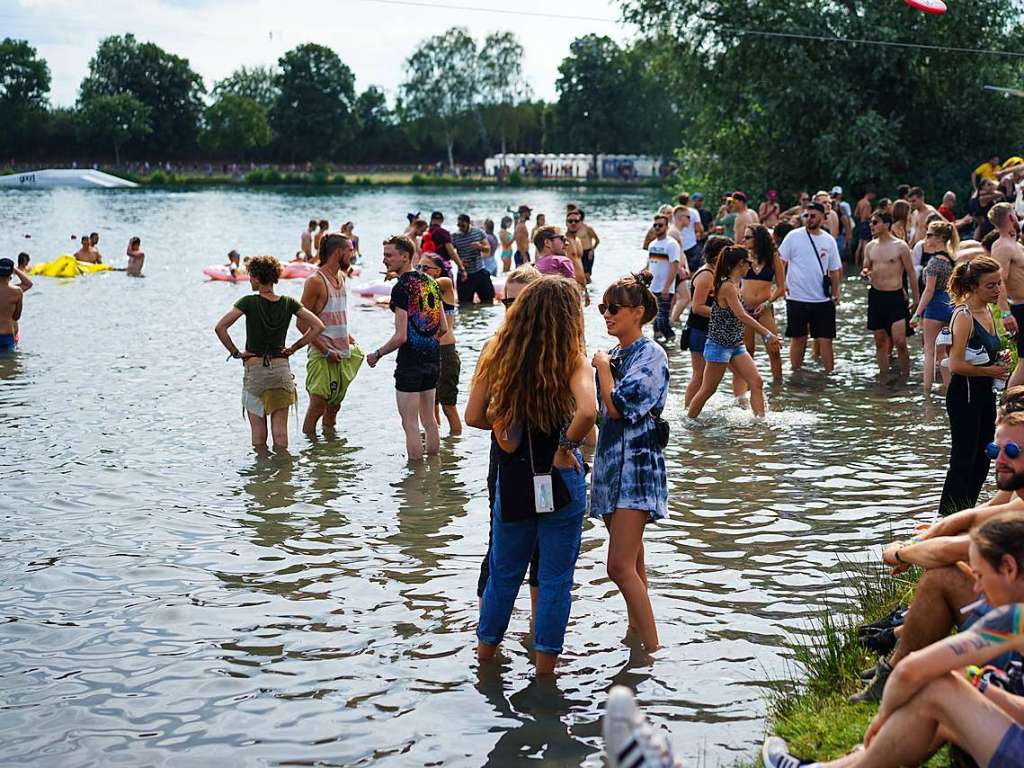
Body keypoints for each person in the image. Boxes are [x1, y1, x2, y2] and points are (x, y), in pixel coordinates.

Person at [765, 512, 1024, 768]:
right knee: (945, 710)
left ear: (1009, 568)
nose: (976, 589)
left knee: (938, 688)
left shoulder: (1014, 620)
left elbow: (911, 670)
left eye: (979, 576)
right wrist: (978, 684)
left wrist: (881, 721)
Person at [467, 276, 597, 675]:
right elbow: (589, 413)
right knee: (556, 580)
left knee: (503, 575)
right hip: (561, 480)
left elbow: (472, 416)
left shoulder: (498, 354)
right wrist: (563, 448)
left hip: (515, 477)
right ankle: (545, 672)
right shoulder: (573, 359)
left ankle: (485, 660)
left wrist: (504, 426)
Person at [591, 272, 670, 652]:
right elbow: (598, 415)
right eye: (603, 308)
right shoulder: (618, 353)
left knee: (618, 565)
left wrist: (603, 368)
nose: (607, 315)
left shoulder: (651, 354)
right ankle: (636, 632)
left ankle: (652, 650)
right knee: (633, 562)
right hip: (610, 467)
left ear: (638, 312)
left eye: (614, 309)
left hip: (637, 469)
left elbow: (619, 406)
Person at [471, 265, 543, 616]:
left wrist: (502, 423)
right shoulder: (559, 347)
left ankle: (501, 641)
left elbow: (474, 415)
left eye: (517, 301)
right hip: (527, 463)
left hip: (513, 461)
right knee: (537, 552)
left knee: (501, 545)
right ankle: (502, 636)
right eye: (505, 301)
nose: (509, 308)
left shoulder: (496, 346)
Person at [214, 255, 324, 451]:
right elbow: (317, 326)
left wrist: (236, 353)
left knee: (258, 437)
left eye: (250, 276)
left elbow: (220, 327)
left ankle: (262, 477)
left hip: (255, 370)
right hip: (281, 370)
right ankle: (283, 476)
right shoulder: (289, 302)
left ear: (256, 277)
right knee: (281, 433)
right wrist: (294, 347)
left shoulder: (248, 302)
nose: (249, 280)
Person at [365, 235, 448, 461]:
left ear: (405, 256)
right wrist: (427, 341)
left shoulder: (402, 288)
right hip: (432, 360)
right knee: (430, 420)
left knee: (410, 424)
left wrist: (377, 354)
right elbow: (443, 327)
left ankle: (416, 478)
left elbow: (401, 337)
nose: (385, 260)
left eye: (389, 255)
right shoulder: (431, 282)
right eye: (384, 255)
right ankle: (435, 475)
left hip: (410, 363)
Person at [941, 256, 1009, 515]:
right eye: (990, 285)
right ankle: (947, 514)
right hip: (964, 392)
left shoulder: (989, 311)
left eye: (999, 284)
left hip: (984, 391)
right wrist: (991, 370)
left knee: (982, 457)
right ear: (974, 286)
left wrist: (997, 360)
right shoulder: (964, 315)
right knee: (963, 458)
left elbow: (982, 351)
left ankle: (966, 510)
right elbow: (955, 364)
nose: (997, 290)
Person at [687, 245, 781, 419]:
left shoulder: (736, 283)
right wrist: (768, 334)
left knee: (757, 382)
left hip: (736, 345)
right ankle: (689, 421)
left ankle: (760, 423)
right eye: (748, 263)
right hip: (719, 346)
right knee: (708, 390)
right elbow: (741, 315)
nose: (750, 267)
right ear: (740, 264)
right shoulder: (727, 286)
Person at [298, 234, 362, 436]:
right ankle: (311, 451)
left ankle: (330, 455)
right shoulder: (315, 281)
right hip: (322, 354)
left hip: (342, 352)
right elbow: (301, 323)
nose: (353, 254)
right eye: (350, 250)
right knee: (317, 406)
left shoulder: (341, 277)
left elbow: (334, 314)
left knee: (334, 408)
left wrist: (347, 336)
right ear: (338, 252)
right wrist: (325, 351)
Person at [779, 201, 843, 373]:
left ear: (823, 218)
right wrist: (782, 284)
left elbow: (835, 270)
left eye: (813, 216)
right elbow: (780, 262)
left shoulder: (828, 240)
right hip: (796, 297)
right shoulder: (793, 236)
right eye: (806, 216)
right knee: (798, 339)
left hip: (822, 298)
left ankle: (829, 375)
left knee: (826, 340)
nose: (809, 219)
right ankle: (795, 374)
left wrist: (836, 292)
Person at [862, 211, 918, 379]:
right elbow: (866, 267)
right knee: (880, 341)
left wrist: (916, 299)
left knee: (900, 341)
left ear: (886, 225)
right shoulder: (870, 246)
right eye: (871, 223)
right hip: (876, 296)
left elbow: (911, 273)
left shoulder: (900, 246)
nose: (872, 226)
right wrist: (865, 272)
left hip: (895, 297)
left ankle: (905, 376)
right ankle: (884, 377)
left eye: (875, 222)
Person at [683, 236, 732, 407]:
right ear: (717, 255)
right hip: (698, 330)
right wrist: (725, 314)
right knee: (699, 375)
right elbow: (697, 307)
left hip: (712, 330)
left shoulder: (718, 273)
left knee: (709, 375)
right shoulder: (706, 275)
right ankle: (688, 410)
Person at [911, 220, 959, 393]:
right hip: (950, 306)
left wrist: (917, 314)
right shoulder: (951, 259)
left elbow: (929, 291)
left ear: (940, 238)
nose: (926, 237)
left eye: (930, 234)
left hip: (934, 307)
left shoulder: (934, 262)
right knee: (944, 352)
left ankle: (926, 391)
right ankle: (950, 387)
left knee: (929, 351)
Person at [418, 252, 461, 436]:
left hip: (445, 353)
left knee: (448, 407)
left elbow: (433, 285)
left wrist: (404, 277)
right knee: (430, 407)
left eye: (425, 268)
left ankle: (453, 448)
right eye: (418, 267)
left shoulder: (445, 285)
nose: (420, 272)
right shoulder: (419, 292)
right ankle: (435, 447)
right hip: (427, 354)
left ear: (438, 271)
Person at [738, 224, 786, 383]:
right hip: (744, 310)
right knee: (747, 351)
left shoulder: (773, 257)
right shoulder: (742, 257)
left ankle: (778, 388)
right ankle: (746, 390)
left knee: (774, 349)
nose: (743, 240)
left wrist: (767, 303)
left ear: (758, 238)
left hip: (764, 309)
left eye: (747, 237)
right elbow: (731, 281)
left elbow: (781, 287)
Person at [989, 202, 1024, 353]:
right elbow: (998, 281)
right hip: (1020, 308)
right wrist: (1005, 313)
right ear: (1011, 216)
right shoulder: (1002, 246)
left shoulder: (1014, 244)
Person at [646, 213, 680, 342]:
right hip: (652, 288)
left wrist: (667, 287)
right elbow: (649, 266)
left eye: (660, 225)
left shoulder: (671, 244)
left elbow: (674, 266)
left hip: (665, 289)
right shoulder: (652, 244)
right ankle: (658, 348)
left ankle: (673, 342)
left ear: (667, 227)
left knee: (662, 322)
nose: (657, 227)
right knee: (655, 323)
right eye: (655, 225)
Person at [452, 214, 493, 304]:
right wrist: (460, 262)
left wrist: (479, 247)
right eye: (459, 225)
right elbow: (450, 254)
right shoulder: (455, 236)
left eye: (463, 225)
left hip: (479, 271)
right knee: (465, 305)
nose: (461, 228)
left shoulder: (479, 232)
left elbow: (488, 249)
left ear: (468, 223)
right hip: (464, 275)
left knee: (488, 301)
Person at [0, 258, 31, 352]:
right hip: (7, 335)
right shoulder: (17, 291)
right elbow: (16, 316)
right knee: (10, 364)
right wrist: (15, 269)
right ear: (11, 273)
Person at [576, 207, 601, 280]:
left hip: (587, 253)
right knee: (578, 275)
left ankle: (589, 291)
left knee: (586, 275)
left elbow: (597, 240)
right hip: (578, 253)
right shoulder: (573, 229)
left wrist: (592, 251)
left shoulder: (588, 228)